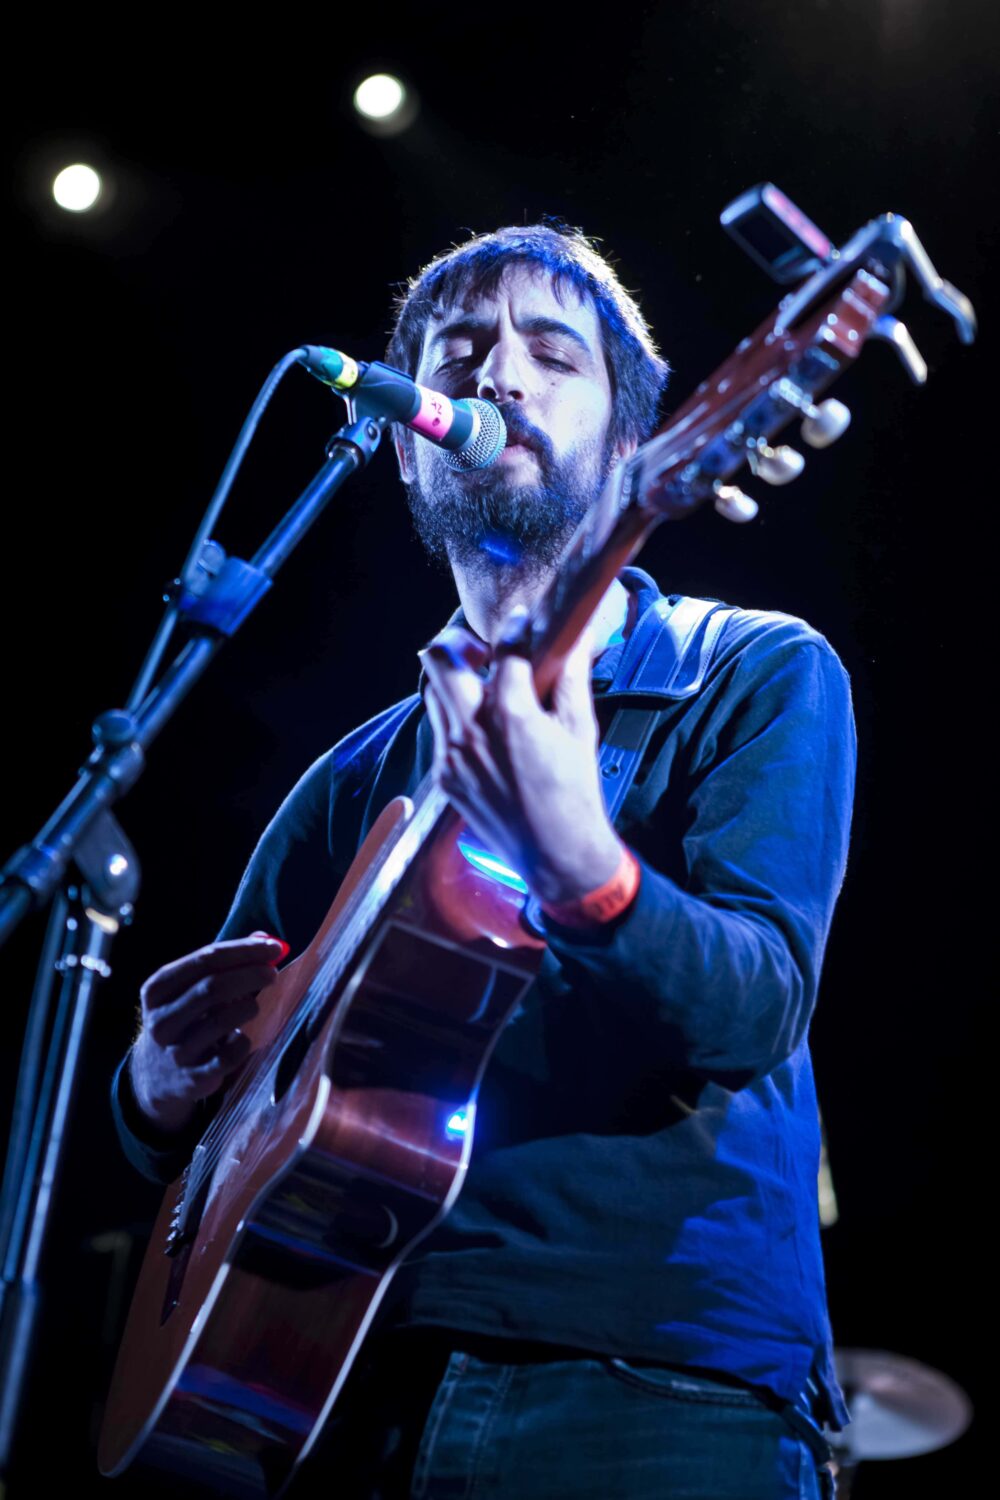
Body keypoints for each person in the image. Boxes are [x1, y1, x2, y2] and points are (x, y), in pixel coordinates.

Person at [111, 224, 854, 1499]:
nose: (498, 375)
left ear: (631, 442)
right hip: (338, 1381)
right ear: (406, 438)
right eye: (458, 355)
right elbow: (206, 1130)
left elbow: (755, 1008)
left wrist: (584, 865)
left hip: (646, 1376)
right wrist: (154, 1088)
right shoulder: (350, 780)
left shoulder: (749, 671)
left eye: (552, 356)